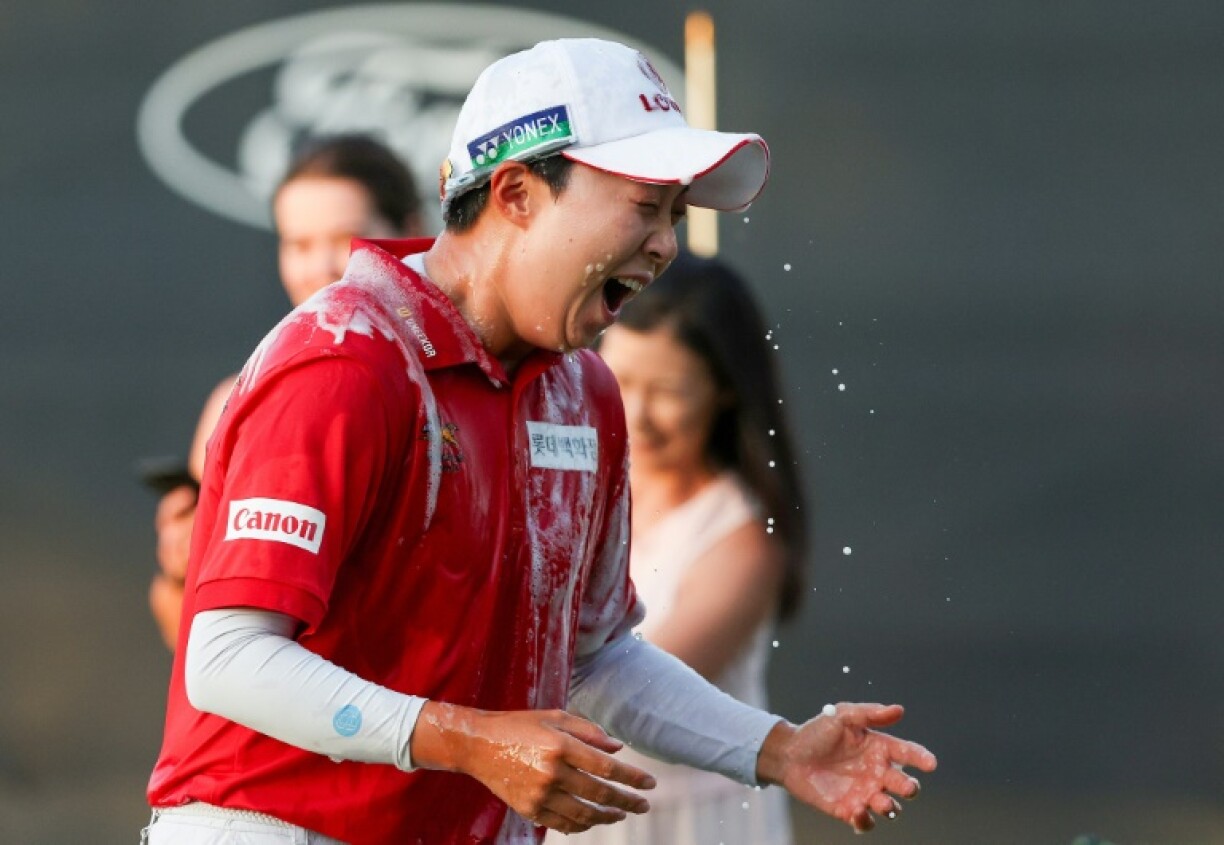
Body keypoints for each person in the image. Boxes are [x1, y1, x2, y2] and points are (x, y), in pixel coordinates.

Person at [144, 38, 936, 845]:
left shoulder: (585, 391)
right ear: (517, 192)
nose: (666, 244)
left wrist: (780, 749)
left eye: (675, 213)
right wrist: (469, 739)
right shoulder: (342, 360)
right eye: (642, 203)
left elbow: (592, 657)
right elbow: (226, 657)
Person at [546, 253, 806, 845]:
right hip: (572, 810)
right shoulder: (571, 476)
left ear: (724, 393)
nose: (635, 414)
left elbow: (637, 698)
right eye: (620, 381)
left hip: (691, 826)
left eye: (667, 392)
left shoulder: (741, 537)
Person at [148, 134, 424, 651]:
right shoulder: (236, 399)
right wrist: (177, 570)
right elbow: (190, 641)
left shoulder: (457, 388)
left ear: (409, 231)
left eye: (346, 239)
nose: (319, 266)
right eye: (298, 244)